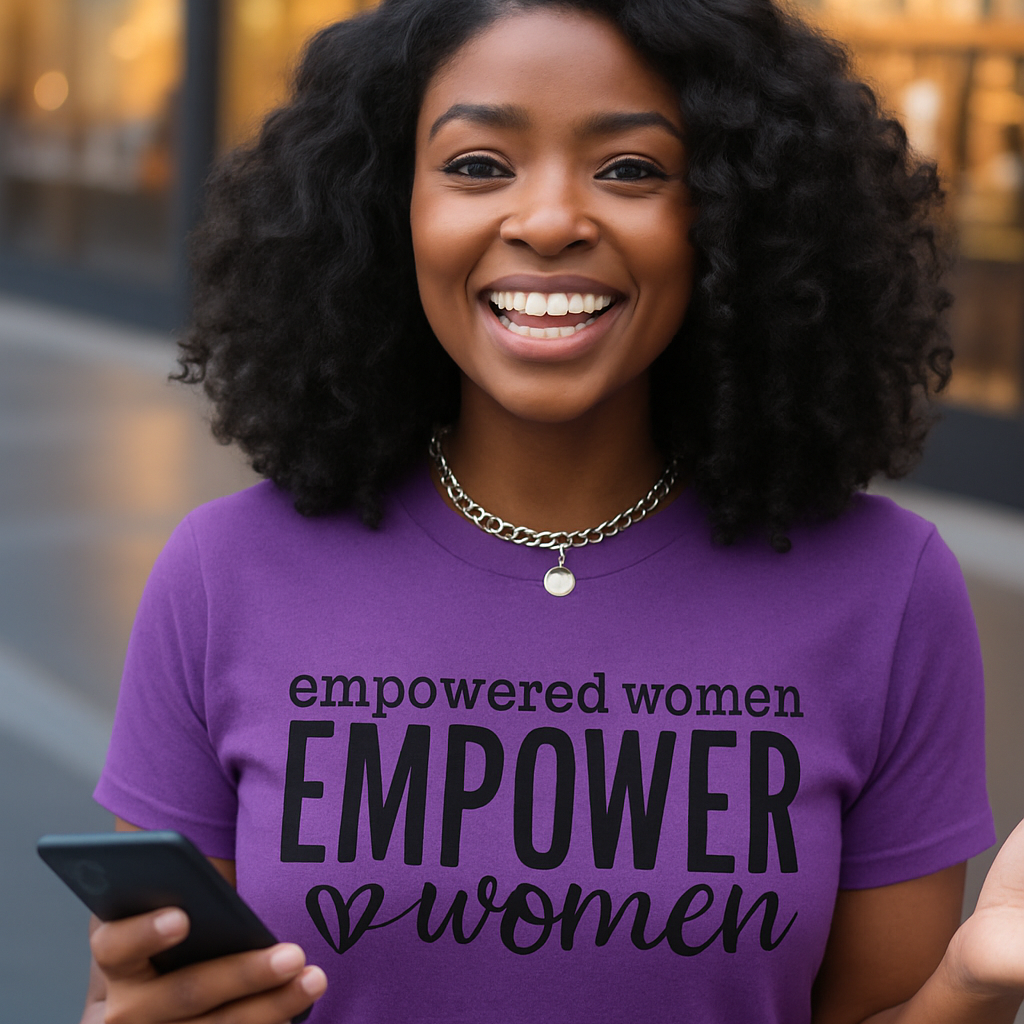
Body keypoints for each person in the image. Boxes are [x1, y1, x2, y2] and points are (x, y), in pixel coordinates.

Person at [82, 1, 1024, 1022]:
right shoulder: (225, 573)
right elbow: (144, 993)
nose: (544, 221)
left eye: (630, 170)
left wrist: (973, 989)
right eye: (478, 164)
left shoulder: (883, 590)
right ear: (385, 204)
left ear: (731, 210)